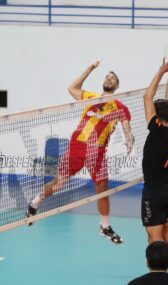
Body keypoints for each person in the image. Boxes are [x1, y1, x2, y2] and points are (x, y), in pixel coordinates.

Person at [26, 60, 134, 244]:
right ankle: (35, 202)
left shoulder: (120, 108)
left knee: (102, 189)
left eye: (113, 78)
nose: (109, 79)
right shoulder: (90, 97)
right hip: (76, 147)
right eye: (107, 76)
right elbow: (72, 88)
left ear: (117, 86)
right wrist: (90, 69)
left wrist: (129, 139)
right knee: (59, 183)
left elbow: (126, 127)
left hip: (97, 153)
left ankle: (105, 227)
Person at [141, 47, 168, 278]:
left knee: (155, 242)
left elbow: (147, 96)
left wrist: (161, 70)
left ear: (157, 116)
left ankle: (158, 279)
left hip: (154, 193)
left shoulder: (156, 129)